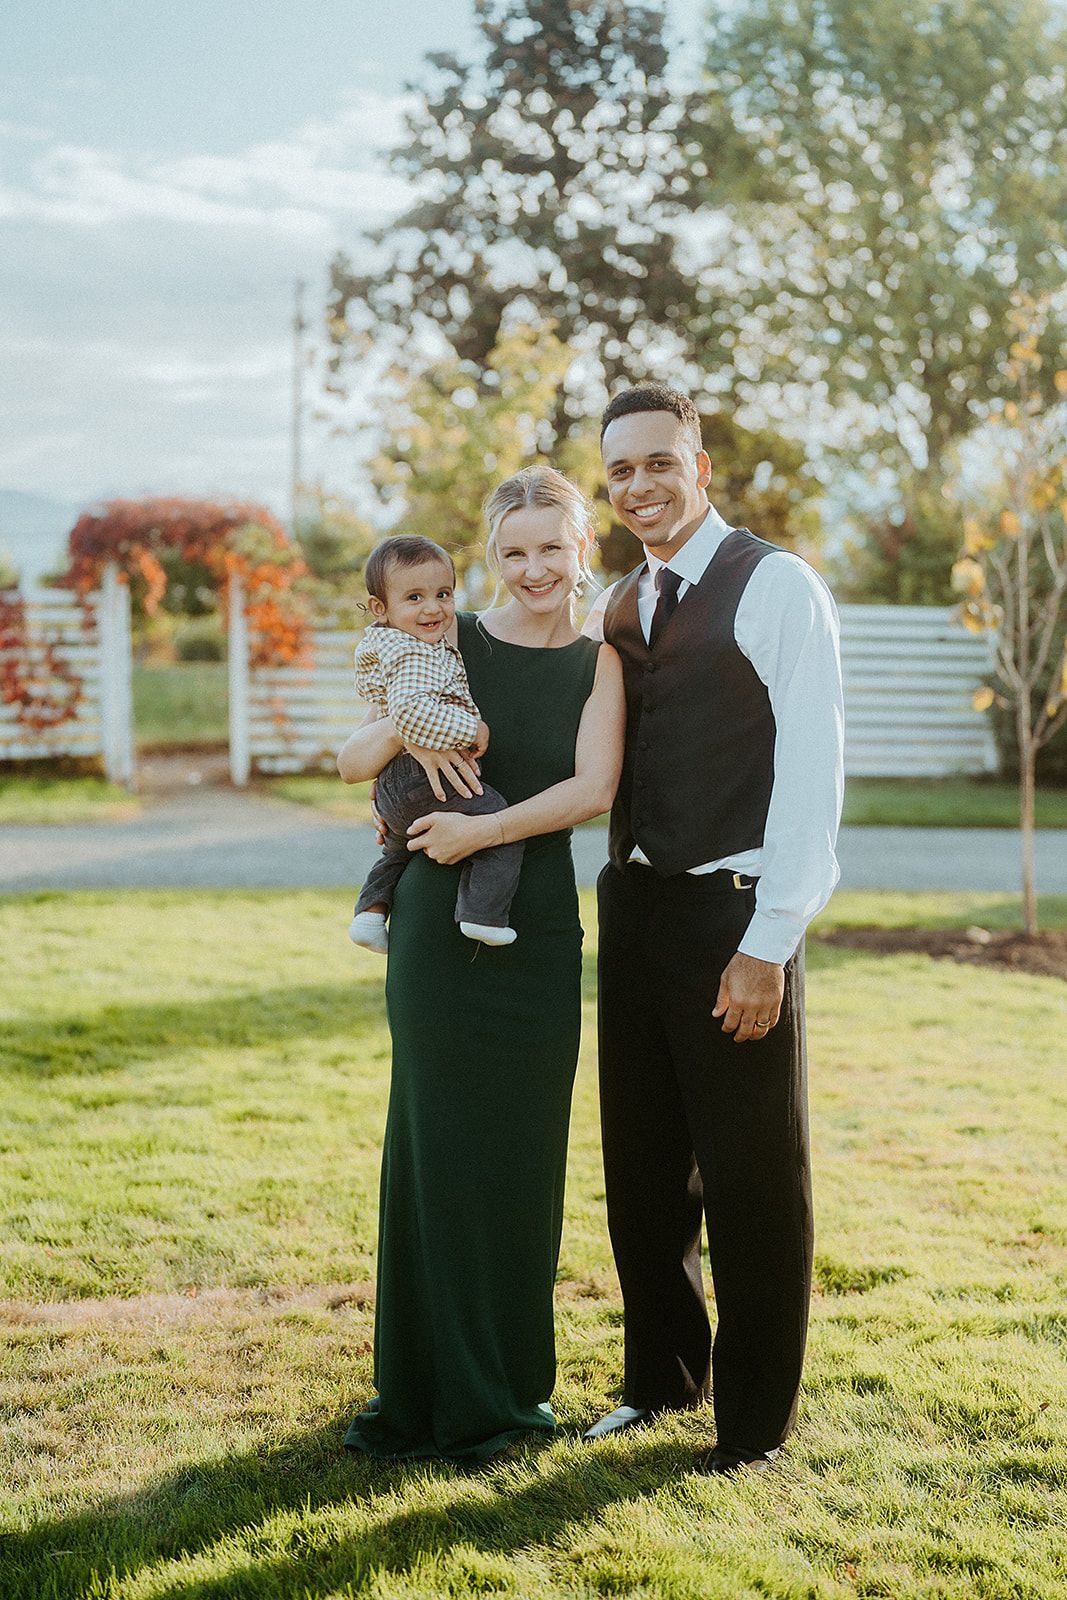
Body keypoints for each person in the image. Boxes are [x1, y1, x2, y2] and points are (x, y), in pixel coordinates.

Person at [337, 465, 625, 1465]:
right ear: (490, 556)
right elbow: (355, 754)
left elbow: (593, 789)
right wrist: (406, 732)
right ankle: (413, 1391)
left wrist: (487, 826)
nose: (534, 567)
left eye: (552, 547)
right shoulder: (446, 635)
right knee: (429, 1142)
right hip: (432, 920)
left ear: (579, 549)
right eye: (513, 551)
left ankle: (500, 1395)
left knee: (518, 1153)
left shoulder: (600, 661)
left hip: (534, 925)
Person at [582, 383, 844, 1475]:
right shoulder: (618, 600)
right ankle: (661, 1381)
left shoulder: (775, 585)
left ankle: (753, 1425)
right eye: (618, 473)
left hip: (732, 913)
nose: (638, 485)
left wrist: (768, 939)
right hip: (634, 906)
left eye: (656, 462)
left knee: (749, 1179)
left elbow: (810, 771)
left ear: (699, 462)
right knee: (641, 1171)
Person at [349, 533, 523, 953]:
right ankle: (481, 914)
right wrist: (472, 730)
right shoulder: (414, 652)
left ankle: (370, 915)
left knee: (396, 847)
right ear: (381, 608)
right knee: (497, 820)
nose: (433, 607)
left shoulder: (392, 642)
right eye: (414, 597)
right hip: (420, 776)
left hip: (393, 780)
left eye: (443, 593)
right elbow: (408, 713)